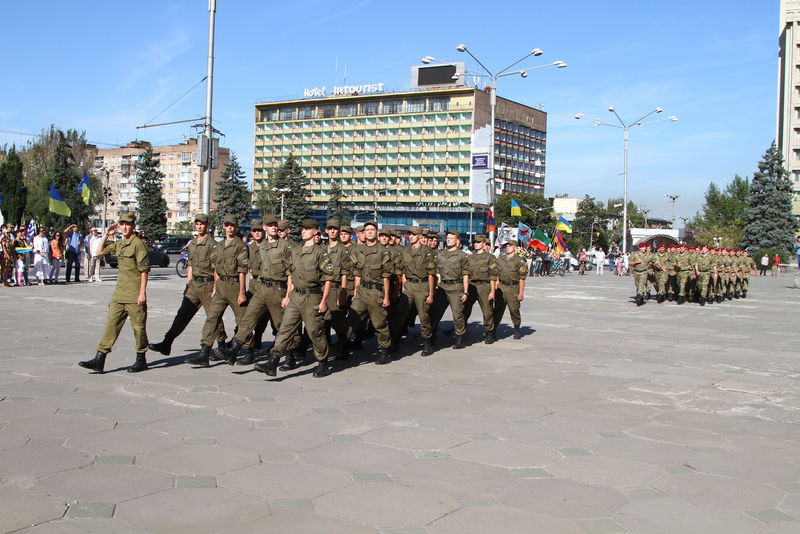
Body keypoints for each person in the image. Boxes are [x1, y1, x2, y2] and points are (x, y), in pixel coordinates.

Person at [254, 218, 335, 377]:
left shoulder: (320, 253)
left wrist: (324, 301)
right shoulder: (296, 250)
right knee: (285, 328)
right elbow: (290, 273)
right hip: (296, 295)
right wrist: (288, 295)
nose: (303, 231)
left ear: (315, 231)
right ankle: (273, 361)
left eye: (307, 228)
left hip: (312, 297)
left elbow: (328, 278)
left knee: (315, 331)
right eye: (302, 228)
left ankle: (323, 362)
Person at [149, 213, 228, 359]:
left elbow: (217, 269)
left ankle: (222, 346)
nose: (199, 226)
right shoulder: (192, 243)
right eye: (197, 224)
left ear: (207, 226)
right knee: (182, 314)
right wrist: (188, 284)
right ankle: (167, 342)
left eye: (202, 224)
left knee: (213, 316)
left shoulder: (213, 245)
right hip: (193, 286)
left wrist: (216, 289)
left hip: (208, 284)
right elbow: (190, 265)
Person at [79, 213, 150, 373]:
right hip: (119, 294)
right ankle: (100, 359)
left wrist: (142, 293)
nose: (124, 227)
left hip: (134, 294)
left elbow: (144, 271)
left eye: (128, 224)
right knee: (110, 325)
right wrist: (106, 234)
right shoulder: (119, 244)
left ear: (133, 226)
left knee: (138, 328)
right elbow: (98, 251)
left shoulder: (138, 244)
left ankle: (141, 359)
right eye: (122, 224)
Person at [222, 214, 293, 366]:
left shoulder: (285, 247)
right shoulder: (263, 247)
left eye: (275, 225)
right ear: (265, 228)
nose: (274, 227)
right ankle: (234, 349)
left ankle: (290, 355)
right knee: (248, 317)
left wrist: (288, 295)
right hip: (261, 288)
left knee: (281, 325)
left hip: (278, 289)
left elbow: (290, 274)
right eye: (271, 225)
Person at [191, 214, 251, 367]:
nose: (229, 228)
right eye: (227, 225)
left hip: (235, 286)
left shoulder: (241, 246)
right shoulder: (219, 245)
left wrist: (242, 292)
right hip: (220, 287)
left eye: (232, 225)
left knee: (242, 320)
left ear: (236, 227)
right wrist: (216, 286)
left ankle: (248, 350)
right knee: (212, 317)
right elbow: (215, 268)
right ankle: (204, 352)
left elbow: (242, 270)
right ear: (223, 227)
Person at [347, 221, 394, 364]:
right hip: (361, 291)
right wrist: (356, 291)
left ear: (377, 232)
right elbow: (357, 274)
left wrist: (386, 297)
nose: (369, 232)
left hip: (376, 292)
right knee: (352, 319)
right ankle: (344, 345)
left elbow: (386, 277)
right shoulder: (358, 250)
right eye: (366, 230)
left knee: (379, 323)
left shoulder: (383, 252)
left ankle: (384, 351)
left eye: (372, 230)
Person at [429, 230, 471, 349]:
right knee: (435, 312)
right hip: (442, 287)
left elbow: (465, 275)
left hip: (456, 287)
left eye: (451, 238)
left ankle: (459, 337)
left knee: (458, 314)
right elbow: (436, 271)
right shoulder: (440, 254)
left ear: (457, 241)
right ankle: (430, 335)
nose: (448, 239)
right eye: (447, 238)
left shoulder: (462, 255)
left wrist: (466, 291)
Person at [461, 235, 498, 344]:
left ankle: (489, 333)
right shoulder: (470, 257)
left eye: (478, 242)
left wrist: (492, 291)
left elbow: (493, 275)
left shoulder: (490, 257)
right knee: (464, 309)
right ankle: (462, 331)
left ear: (483, 244)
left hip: (484, 286)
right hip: (472, 286)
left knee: (487, 311)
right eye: (475, 242)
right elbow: (466, 274)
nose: (476, 244)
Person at [493, 240, 527, 339]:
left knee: (514, 309)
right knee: (498, 310)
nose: (508, 247)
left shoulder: (519, 260)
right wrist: (495, 286)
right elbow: (496, 274)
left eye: (510, 246)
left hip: (513, 287)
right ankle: (493, 330)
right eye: (506, 246)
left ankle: (516, 329)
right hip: (501, 287)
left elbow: (522, 278)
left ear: (515, 247)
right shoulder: (500, 259)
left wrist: (521, 293)